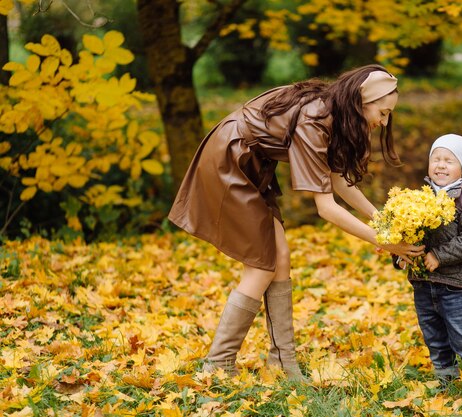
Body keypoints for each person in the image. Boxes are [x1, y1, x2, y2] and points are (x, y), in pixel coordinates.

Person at [168, 64, 424, 381]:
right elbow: (326, 207)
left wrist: (383, 222)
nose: (383, 122)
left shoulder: (335, 114)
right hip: (229, 161)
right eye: (383, 113)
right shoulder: (315, 118)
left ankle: (283, 363)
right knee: (262, 265)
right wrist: (380, 239)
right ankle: (218, 365)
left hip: (251, 164)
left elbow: (340, 182)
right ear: (361, 102)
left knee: (281, 260)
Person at [394, 133, 462, 382]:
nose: (440, 165)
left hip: (455, 285)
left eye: (449, 160)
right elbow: (405, 233)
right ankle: (446, 377)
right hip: (423, 283)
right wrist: (400, 255)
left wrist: (439, 255)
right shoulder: (415, 200)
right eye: (436, 158)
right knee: (433, 335)